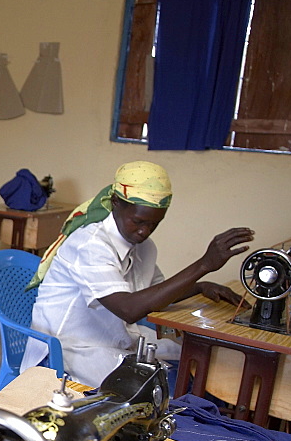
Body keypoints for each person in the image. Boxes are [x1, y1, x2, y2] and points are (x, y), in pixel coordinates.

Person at [21, 160, 254, 388]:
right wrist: (202, 265)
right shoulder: (90, 245)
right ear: (115, 203)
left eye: (154, 224)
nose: (145, 231)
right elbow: (129, 309)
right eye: (138, 221)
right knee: (167, 390)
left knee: (193, 364)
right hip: (68, 351)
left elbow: (156, 296)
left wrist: (201, 286)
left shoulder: (144, 246)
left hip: (112, 341)